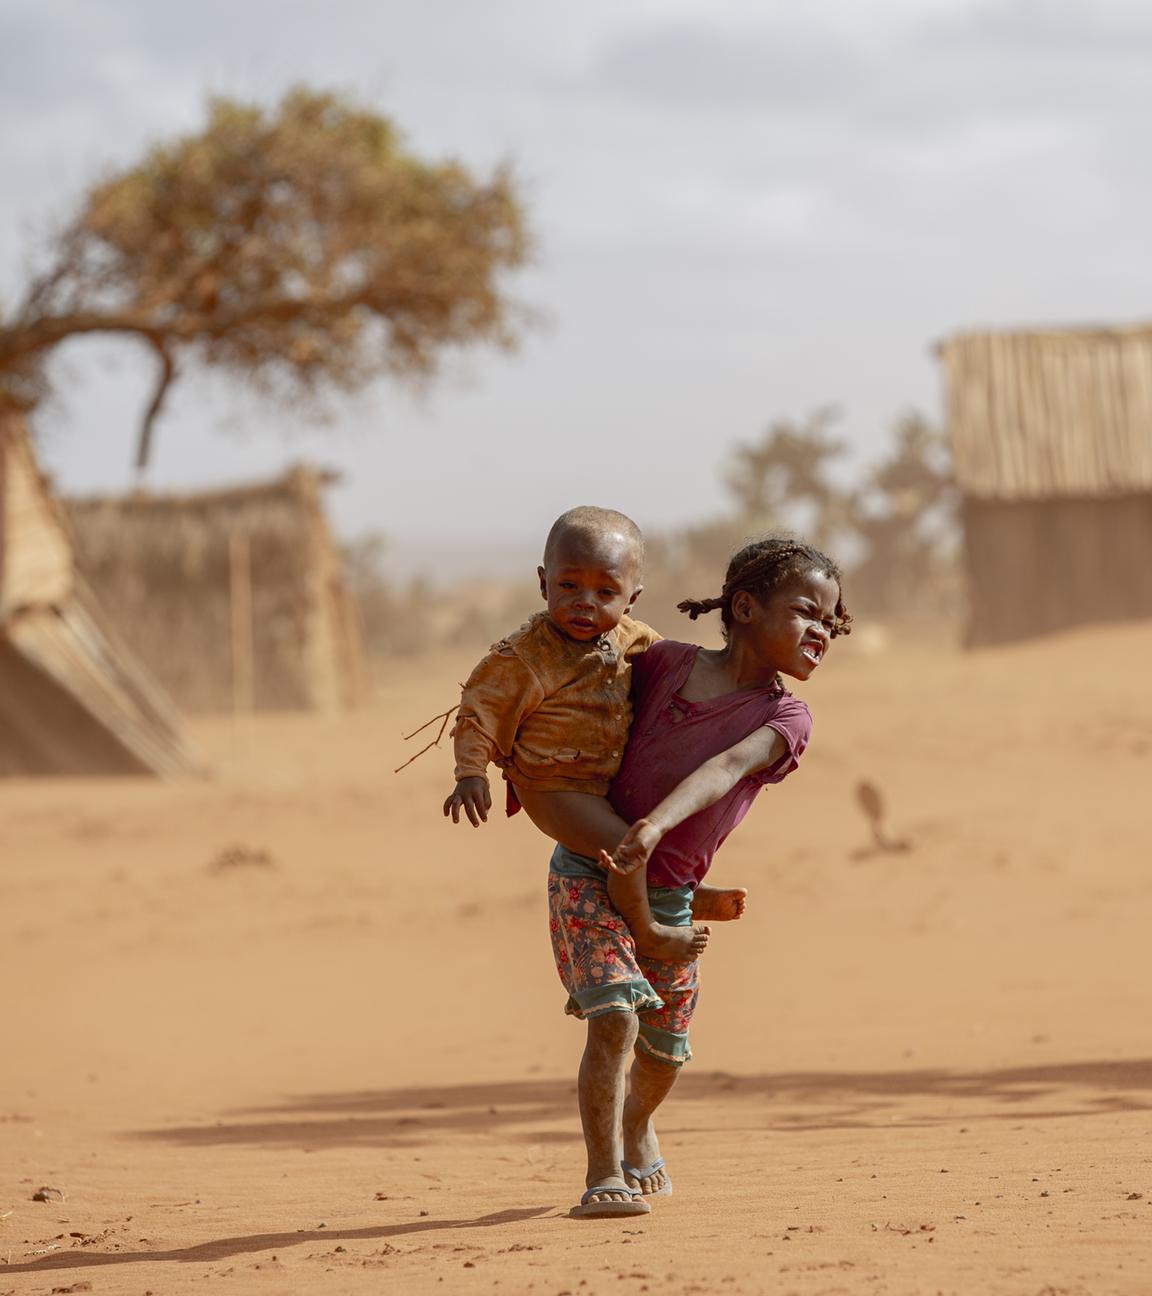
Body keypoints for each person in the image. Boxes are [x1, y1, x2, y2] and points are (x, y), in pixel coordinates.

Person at [543, 535, 852, 1217]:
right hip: (589, 870)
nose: (822, 633)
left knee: (664, 1050)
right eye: (806, 613)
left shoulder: (785, 718)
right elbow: (575, 678)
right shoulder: (661, 663)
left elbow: (725, 768)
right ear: (744, 608)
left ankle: (637, 1123)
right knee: (614, 1017)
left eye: (831, 622)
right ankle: (604, 1175)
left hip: (668, 894)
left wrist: (653, 829)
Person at [443, 505, 746, 961]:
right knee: (627, 846)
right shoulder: (526, 656)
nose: (585, 601)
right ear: (543, 582)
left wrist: (738, 670)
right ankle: (649, 930)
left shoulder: (632, 637)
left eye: (605, 591)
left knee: (652, 828)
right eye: (569, 586)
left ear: (632, 598)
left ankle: (677, 892)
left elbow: (680, 666)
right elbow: (479, 711)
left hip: (604, 780)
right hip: (552, 785)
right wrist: (470, 773)